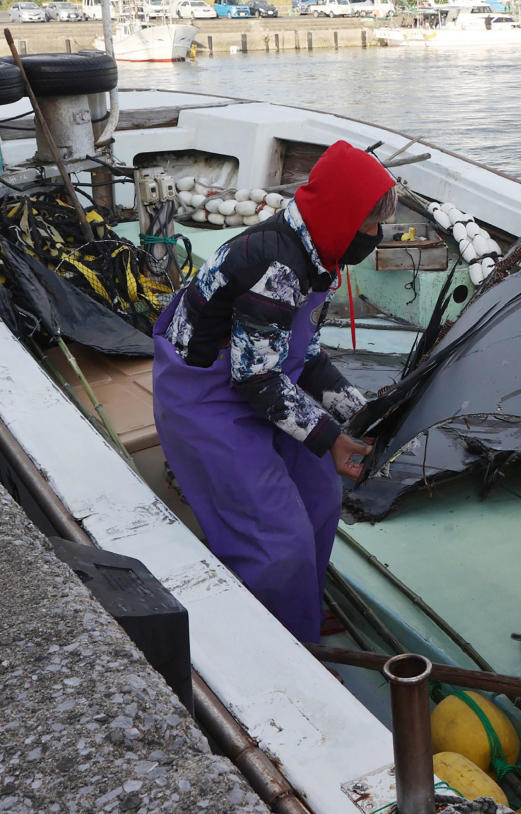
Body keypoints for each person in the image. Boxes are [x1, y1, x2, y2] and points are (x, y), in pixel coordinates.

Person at [152, 140, 396, 643]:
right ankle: (282, 644)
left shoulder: (320, 253)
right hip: (208, 395)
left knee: (322, 496)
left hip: (266, 380)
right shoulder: (275, 265)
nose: (376, 235)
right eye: (370, 223)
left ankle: (300, 601)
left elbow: (302, 357)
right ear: (342, 216)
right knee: (276, 539)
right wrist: (331, 438)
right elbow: (254, 377)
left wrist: (366, 414)